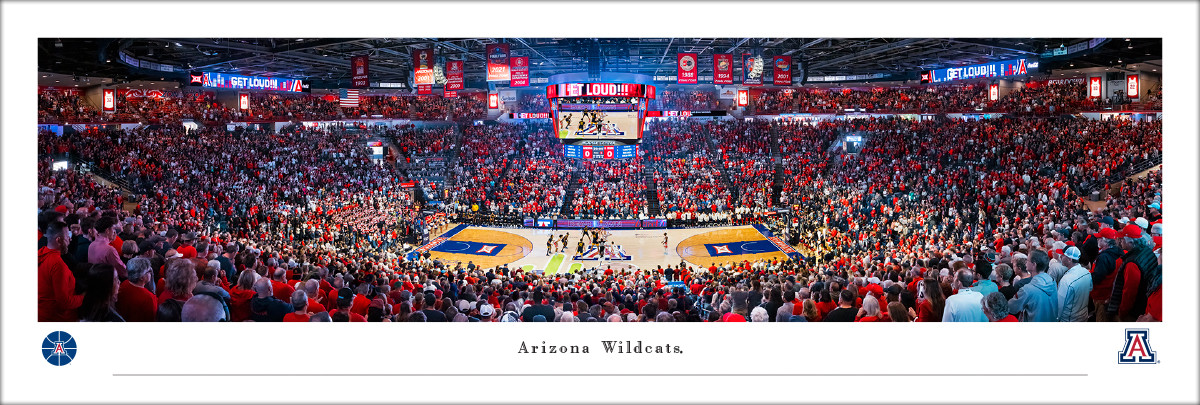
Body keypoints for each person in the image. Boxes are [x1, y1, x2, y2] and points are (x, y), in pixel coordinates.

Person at [1107, 224, 1161, 322]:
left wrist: (1122, 313)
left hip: (1134, 311)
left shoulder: (1132, 263)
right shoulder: (1146, 250)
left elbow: (1129, 294)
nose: (1120, 241)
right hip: (1143, 304)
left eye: (1122, 239)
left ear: (1130, 241)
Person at [38, 220, 84, 322]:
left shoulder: (41, 254)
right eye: (67, 236)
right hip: (57, 318)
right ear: (59, 240)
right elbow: (64, 302)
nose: (70, 239)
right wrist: (84, 297)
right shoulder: (57, 265)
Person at [1007, 250, 1058, 322]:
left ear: (1034, 265)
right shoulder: (1052, 281)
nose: (1025, 263)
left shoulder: (1027, 290)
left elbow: (1012, 307)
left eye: (1027, 260)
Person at [1089, 227, 1122, 322]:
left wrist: (1087, 275)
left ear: (1106, 241)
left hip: (1102, 296)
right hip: (1110, 293)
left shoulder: (1104, 257)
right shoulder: (1118, 252)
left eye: (1099, 238)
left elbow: (1097, 277)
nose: (1097, 240)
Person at [1056, 247, 1093, 322]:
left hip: (1069, 319)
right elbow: (1090, 289)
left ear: (1069, 259)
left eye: (1063, 255)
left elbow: (1059, 305)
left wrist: (1056, 320)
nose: (1060, 257)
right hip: (1083, 315)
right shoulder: (1086, 272)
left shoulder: (1066, 280)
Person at [115, 257, 158, 322]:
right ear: (141, 277)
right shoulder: (149, 298)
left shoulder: (124, 284)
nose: (151, 274)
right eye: (149, 271)